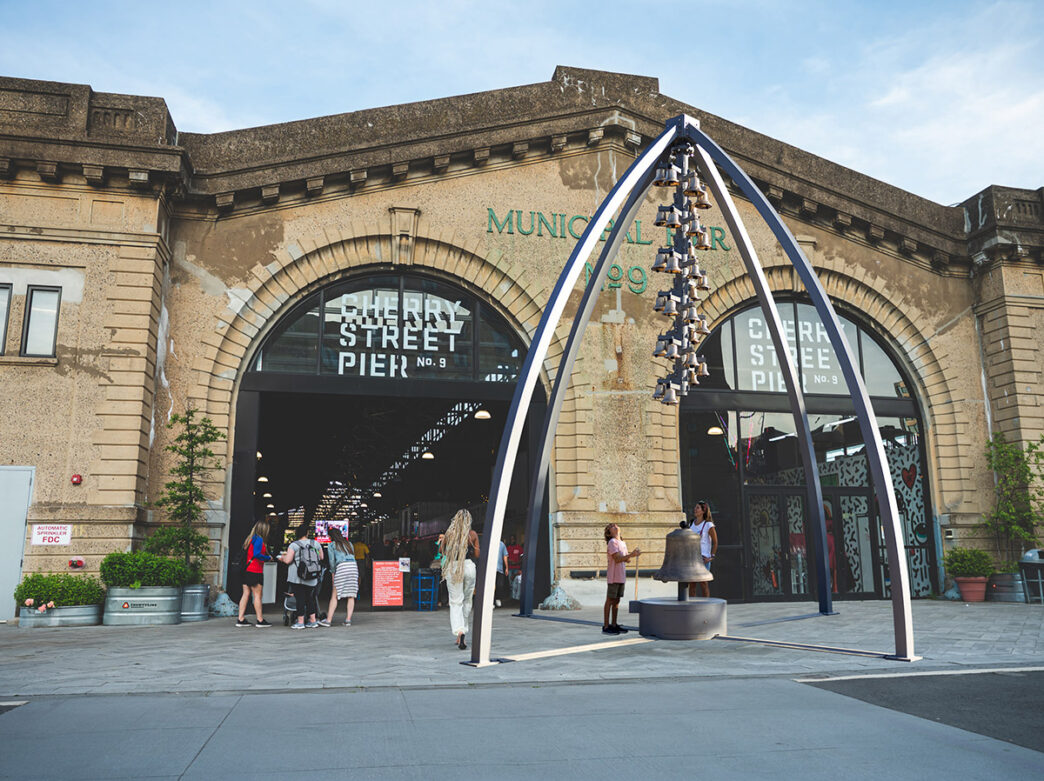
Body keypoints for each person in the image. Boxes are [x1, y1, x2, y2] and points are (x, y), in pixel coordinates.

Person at [440, 509, 479, 650]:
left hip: (454, 567)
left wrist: (442, 542)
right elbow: (477, 554)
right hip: (468, 567)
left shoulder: (449, 534)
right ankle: (462, 634)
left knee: (456, 602)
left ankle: (460, 630)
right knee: (467, 600)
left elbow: (441, 552)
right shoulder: (472, 535)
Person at [280, 524, 324, 629]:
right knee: (309, 598)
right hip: (312, 575)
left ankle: (300, 622)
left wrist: (281, 557)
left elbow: (288, 560)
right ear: (307, 533)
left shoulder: (294, 545)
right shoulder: (315, 543)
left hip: (297, 577)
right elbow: (321, 557)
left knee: (300, 598)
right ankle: (313, 621)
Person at [603, 523, 640, 635]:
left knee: (617, 600)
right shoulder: (612, 542)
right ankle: (606, 626)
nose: (615, 526)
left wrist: (633, 554)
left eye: (616, 525)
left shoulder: (622, 543)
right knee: (610, 600)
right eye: (612, 527)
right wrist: (631, 555)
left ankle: (614, 624)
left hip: (621, 575)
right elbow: (618, 559)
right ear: (609, 533)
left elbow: (625, 559)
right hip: (614, 576)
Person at [236, 518, 272, 627]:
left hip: (246, 570)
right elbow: (256, 554)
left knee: (245, 594)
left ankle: (240, 619)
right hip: (255, 570)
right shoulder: (259, 540)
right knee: (257, 595)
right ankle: (260, 620)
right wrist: (267, 558)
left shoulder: (250, 539)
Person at [324, 526, 358, 627]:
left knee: (334, 595)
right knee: (351, 595)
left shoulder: (332, 545)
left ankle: (328, 620)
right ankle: (348, 620)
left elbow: (332, 562)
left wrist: (333, 574)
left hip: (342, 567)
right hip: (353, 567)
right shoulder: (349, 544)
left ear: (331, 536)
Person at [686, 501, 718, 598]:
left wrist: (711, 556)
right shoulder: (691, 523)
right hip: (692, 558)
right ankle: (692, 605)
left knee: (703, 583)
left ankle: (706, 605)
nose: (695, 510)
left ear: (703, 511)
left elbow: (715, 542)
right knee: (692, 583)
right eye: (695, 507)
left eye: (698, 508)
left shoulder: (708, 525)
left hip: (703, 558)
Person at [495, 537, 509, 607]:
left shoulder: (501, 544)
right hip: (491, 568)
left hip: (499, 569)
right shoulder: (489, 543)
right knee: (491, 586)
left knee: (500, 585)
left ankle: (497, 598)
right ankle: (491, 600)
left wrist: (506, 568)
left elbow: (505, 556)